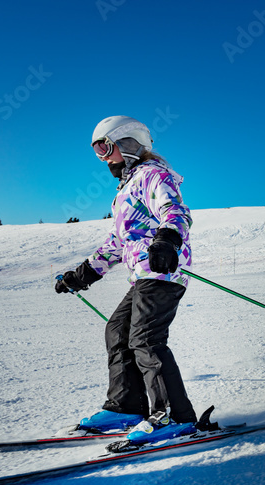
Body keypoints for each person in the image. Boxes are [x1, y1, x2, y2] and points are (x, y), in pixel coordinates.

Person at [55, 115, 197, 450]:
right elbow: (118, 243)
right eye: (97, 152)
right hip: (142, 276)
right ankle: (127, 407)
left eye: (105, 147)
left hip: (163, 271)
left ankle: (176, 417)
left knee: (145, 339)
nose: (103, 158)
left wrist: (166, 241)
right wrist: (82, 275)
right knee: (117, 332)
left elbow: (176, 213)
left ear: (129, 143)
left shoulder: (153, 175)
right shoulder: (125, 190)